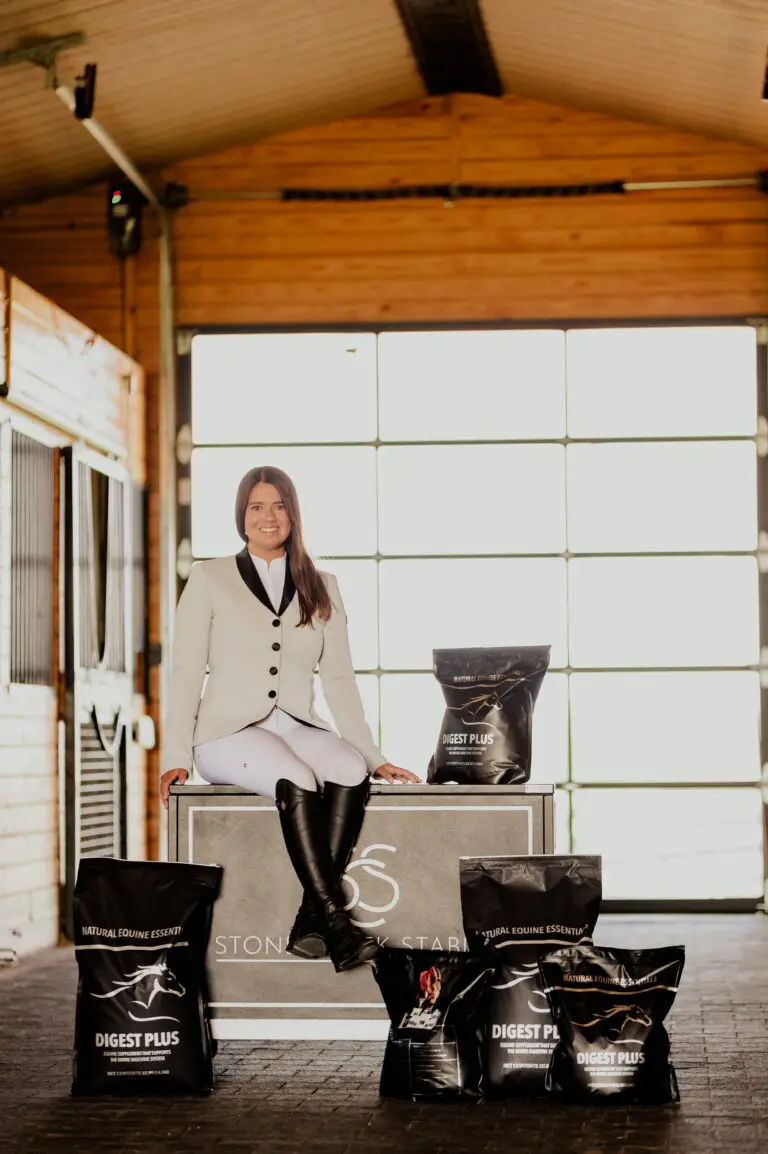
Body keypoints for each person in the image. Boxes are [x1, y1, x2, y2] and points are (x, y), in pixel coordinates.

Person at [160, 465, 419, 973]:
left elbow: (339, 680)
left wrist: (374, 755)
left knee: (347, 769)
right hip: (225, 733)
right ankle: (336, 923)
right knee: (296, 776)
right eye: (256, 506)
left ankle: (309, 920)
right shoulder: (209, 577)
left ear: (293, 514)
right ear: (241, 515)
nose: (268, 516)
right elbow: (186, 671)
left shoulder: (322, 586)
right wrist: (174, 754)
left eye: (278, 505)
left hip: (296, 724)